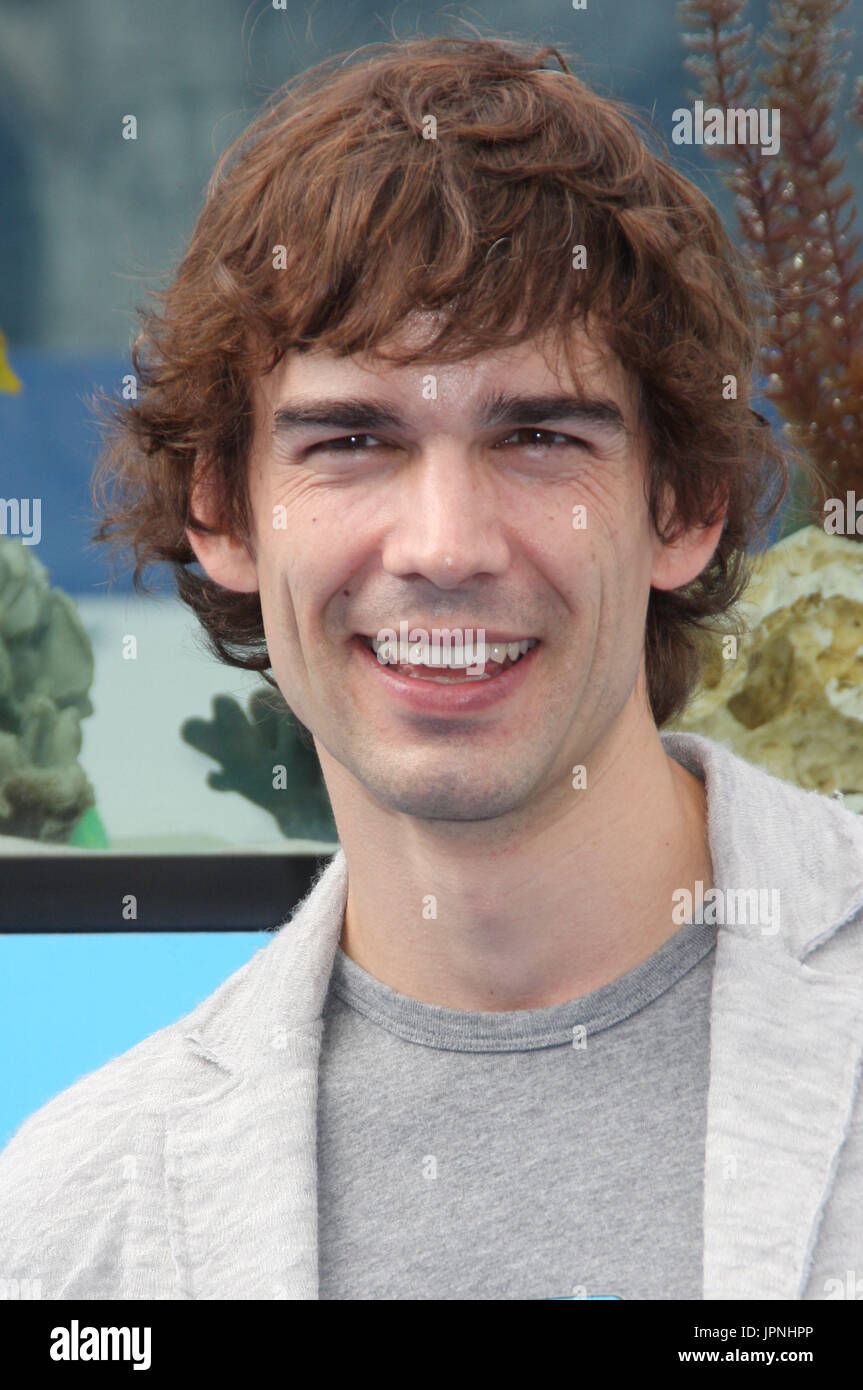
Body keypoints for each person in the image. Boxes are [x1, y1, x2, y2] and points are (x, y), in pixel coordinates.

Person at [2, 33, 862, 1303]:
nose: (445, 546)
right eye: (351, 438)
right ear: (222, 513)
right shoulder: (74, 1224)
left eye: (536, 435)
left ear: (683, 506)